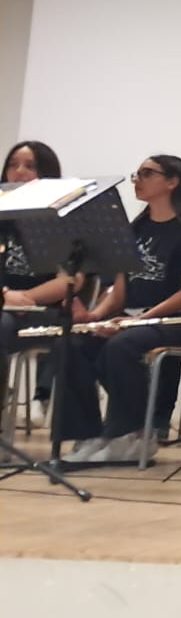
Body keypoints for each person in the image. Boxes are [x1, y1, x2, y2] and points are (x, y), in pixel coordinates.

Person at [57, 155, 181, 465]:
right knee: (73, 342)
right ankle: (89, 433)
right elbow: (120, 289)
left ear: (172, 182)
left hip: (180, 319)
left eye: (147, 173)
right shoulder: (135, 228)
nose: (137, 179)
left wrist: (142, 319)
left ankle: (133, 434)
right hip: (136, 318)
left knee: (120, 346)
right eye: (136, 174)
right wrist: (95, 316)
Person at [1, 140, 70, 426]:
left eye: (30, 166)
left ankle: (36, 398)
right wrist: (6, 296)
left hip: (43, 311)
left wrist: (25, 298)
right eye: (13, 165)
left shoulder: (60, 221)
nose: (19, 171)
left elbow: (70, 280)